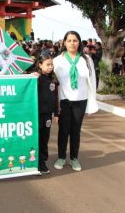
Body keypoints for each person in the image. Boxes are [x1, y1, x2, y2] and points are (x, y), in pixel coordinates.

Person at [53, 31, 98, 171]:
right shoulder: (58, 60)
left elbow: (92, 80)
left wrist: (92, 100)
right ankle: (61, 157)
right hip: (64, 100)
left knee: (75, 130)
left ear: (79, 42)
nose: (72, 43)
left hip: (81, 99)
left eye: (75, 40)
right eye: (69, 40)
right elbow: (50, 78)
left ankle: (74, 158)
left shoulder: (86, 59)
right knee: (63, 130)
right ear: (64, 43)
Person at [32, 52, 59, 174]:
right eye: (48, 64)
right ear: (40, 64)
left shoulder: (53, 79)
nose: (51, 67)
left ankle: (42, 162)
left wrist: (56, 113)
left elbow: (56, 97)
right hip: (36, 115)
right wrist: (32, 78)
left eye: (52, 65)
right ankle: (33, 162)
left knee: (44, 139)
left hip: (47, 115)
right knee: (35, 138)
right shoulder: (35, 78)